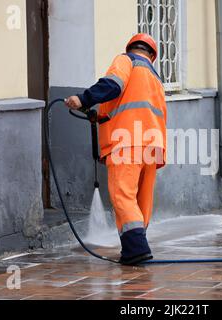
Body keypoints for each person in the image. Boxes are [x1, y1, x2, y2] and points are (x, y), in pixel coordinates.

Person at [65, 34, 167, 265]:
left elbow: (112, 85)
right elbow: (131, 105)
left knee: (123, 195)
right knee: (142, 201)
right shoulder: (155, 77)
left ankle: (137, 248)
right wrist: (100, 116)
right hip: (153, 145)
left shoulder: (126, 60)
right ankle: (133, 249)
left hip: (127, 142)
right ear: (152, 55)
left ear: (131, 48)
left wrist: (83, 99)